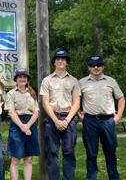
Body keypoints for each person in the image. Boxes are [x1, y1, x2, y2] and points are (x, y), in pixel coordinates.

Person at [79, 54, 125, 180]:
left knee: (110, 152)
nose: (96, 67)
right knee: (91, 153)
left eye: (99, 65)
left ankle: (114, 177)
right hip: (89, 121)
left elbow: (120, 98)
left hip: (108, 121)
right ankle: (91, 178)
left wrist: (118, 116)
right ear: (89, 67)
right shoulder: (82, 82)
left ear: (103, 66)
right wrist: (79, 114)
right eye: (93, 65)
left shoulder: (111, 81)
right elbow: (75, 100)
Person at [40, 50, 81, 180]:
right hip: (52, 119)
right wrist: (56, 120)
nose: (60, 61)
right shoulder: (47, 80)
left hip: (69, 119)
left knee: (69, 152)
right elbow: (45, 103)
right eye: (58, 59)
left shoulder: (74, 81)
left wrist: (67, 120)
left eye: (63, 59)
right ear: (54, 62)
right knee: (52, 153)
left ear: (67, 62)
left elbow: (76, 103)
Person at [5, 68, 40, 180]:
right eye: (20, 77)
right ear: (16, 79)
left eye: (24, 77)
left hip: (31, 124)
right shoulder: (11, 93)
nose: (22, 79)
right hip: (17, 125)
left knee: (29, 159)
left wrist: (28, 126)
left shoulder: (32, 93)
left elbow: (36, 112)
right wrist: (23, 127)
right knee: (15, 159)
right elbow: (11, 111)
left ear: (27, 79)